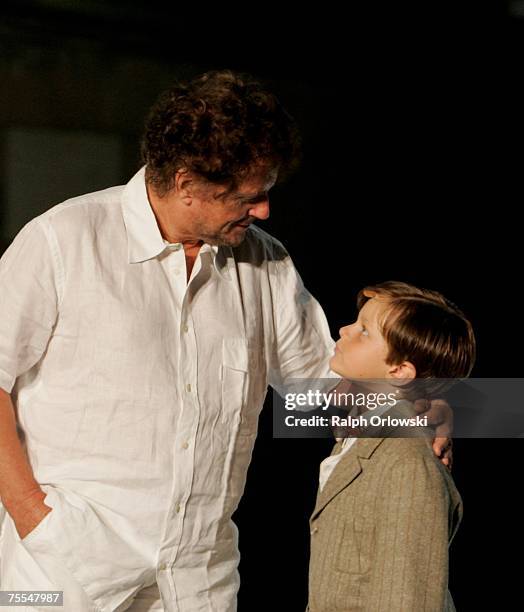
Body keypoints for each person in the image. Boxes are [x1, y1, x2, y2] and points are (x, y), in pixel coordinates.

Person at [0, 70, 451, 612]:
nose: (263, 211)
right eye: (247, 196)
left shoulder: (267, 263)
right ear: (187, 183)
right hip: (60, 573)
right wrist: (33, 515)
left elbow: (320, 396)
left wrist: (431, 411)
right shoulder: (62, 241)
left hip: (199, 581)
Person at [307, 281, 476, 612]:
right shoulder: (357, 438)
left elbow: (407, 599)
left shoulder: (407, 464)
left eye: (365, 331)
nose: (343, 330)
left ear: (399, 371)